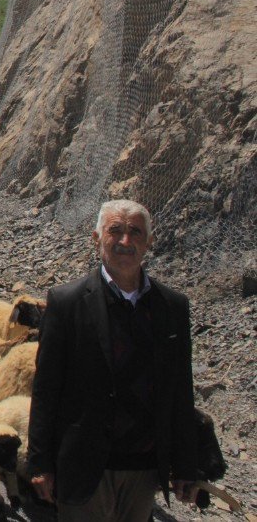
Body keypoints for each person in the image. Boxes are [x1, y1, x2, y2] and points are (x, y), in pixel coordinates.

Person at [28, 199, 198, 521]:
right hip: (84, 465)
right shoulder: (67, 303)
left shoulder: (172, 308)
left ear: (149, 242)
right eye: (115, 231)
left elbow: (180, 390)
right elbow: (46, 389)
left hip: (144, 470)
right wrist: (39, 462)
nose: (125, 241)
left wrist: (186, 465)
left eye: (135, 232)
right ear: (97, 239)